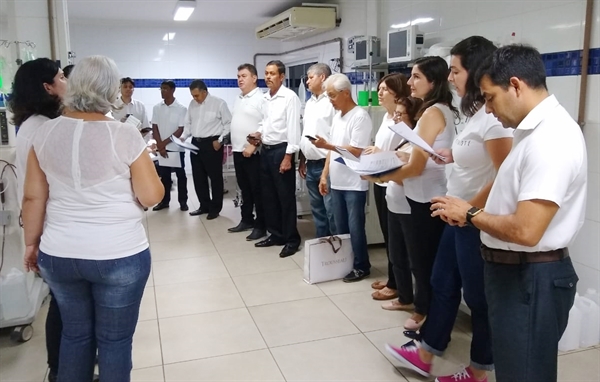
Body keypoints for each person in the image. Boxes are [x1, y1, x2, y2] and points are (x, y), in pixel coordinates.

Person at [431, 45, 586, 382]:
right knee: (515, 369)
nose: (488, 108)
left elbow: (527, 230)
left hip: (531, 279)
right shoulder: (530, 133)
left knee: (524, 373)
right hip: (515, 274)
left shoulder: (551, 139)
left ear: (515, 85)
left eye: (489, 97)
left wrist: (471, 213)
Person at [22, 55, 164, 382]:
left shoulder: (45, 133)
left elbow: (33, 198)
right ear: (110, 90)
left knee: (74, 334)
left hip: (59, 254)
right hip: (118, 255)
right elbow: (152, 196)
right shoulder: (124, 135)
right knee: (114, 341)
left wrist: (31, 244)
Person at [386, 36, 513, 382]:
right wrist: (451, 155)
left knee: (478, 298)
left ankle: (480, 369)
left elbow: (504, 173)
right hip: (456, 214)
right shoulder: (473, 114)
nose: (451, 77)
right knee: (442, 282)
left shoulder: (496, 118)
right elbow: (475, 154)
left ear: (476, 72)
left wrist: (470, 210)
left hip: (474, 220)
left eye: (455, 70)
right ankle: (426, 353)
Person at [366, 56, 458, 329]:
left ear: (434, 81)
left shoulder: (433, 112)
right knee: (422, 260)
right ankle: (427, 312)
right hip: (425, 194)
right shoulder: (440, 110)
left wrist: (378, 175)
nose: (409, 82)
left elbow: (417, 166)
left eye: (416, 77)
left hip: (425, 197)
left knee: (423, 263)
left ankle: (426, 315)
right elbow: (416, 156)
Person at [9, 57, 67, 382]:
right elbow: (40, 194)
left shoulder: (31, 124)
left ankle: (63, 368)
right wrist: (35, 241)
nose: (66, 82)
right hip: (50, 231)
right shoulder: (44, 129)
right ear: (48, 87)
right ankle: (60, 370)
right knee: (63, 306)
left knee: (62, 304)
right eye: (62, 77)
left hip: (44, 230)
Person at [312, 73, 373, 282]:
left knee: (355, 228)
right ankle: (345, 263)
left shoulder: (360, 116)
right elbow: (333, 151)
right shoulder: (338, 117)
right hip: (336, 181)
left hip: (355, 183)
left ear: (346, 93)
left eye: (332, 96)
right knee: (340, 227)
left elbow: (356, 150)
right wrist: (324, 175)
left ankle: (362, 265)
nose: (330, 100)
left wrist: (327, 145)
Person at [247, 60, 301, 258]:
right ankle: (276, 234)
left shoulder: (290, 98)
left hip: (281, 151)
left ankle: (292, 239)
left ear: (282, 76)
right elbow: (265, 122)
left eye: (272, 73)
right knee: (268, 196)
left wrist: (288, 157)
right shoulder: (266, 98)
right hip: (266, 150)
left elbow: (294, 130)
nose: (268, 77)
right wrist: (258, 133)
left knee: (285, 197)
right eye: (266, 73)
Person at [364, 73, 410, 301]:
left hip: (394, 180)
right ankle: (393, 279)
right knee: (387, 233)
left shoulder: (404, 121)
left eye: (384, 90)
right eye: (379, 89)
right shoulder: (385, 118)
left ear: (398, 93)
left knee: (397, 240)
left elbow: (406, 154)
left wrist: (380, 154)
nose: (379, 93)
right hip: (381, 179)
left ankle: (399, 285)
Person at [379, 96, 423, 312]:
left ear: (414, 117)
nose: (395, 117)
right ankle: (404, 296)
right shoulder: (403, 141)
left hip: (408, 207)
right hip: (393, 203)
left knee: (413, 258)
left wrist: (379, 174)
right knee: (396, 254)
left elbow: (406, 175)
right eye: (394, 113)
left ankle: (419, 304)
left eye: (400, 114)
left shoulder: (417, 143)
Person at [182, 80, 232, 220]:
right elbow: (188, 123)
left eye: (197, 95)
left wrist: (220, 140)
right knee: (198, 177)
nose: (194, 98)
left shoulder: (219, 103)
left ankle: (215, 208)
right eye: (192, 95)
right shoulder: (192, 104)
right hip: (195, 144)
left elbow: (228, 124)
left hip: (212, 144)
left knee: (215, 178)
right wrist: (183, 137)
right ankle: (204, 205)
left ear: (205, 92)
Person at [228, 63, 267, 241]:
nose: (240, 79)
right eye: (238, 76)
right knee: (244, 189)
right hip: (238, 150)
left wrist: (254, 145)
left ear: (254, 78)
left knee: (257, 190)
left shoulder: (262, 98)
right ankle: (246, 220)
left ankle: (261, 225)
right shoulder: (239, 98)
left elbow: (265, 125)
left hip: (254, 152)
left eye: (243, 76)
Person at [298, 63, 336, 238]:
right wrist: (302, 160)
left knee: (331, 210)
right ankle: (322, 246)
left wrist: (326, 169)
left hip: (326, 165)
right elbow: (306, 133)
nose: (307, 82)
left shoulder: (332, 102)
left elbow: (336, 136)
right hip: (311, 164)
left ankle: (336, 249)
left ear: (322, 77)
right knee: (317, 211)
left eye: (310, 77)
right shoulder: (310, 102)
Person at [151, 80, 189, 212]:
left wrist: (163, 144)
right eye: (161, 89)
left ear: (173, 90)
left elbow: (180, 130)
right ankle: (164, 201)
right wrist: (160, 146)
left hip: (176, 148)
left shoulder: (181, 109)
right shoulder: (157, 108)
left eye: (165, 89)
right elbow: (154, 127)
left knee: (181, 176)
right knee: (164, 177)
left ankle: (183, 201)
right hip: (162, 149)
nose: (162, 91)